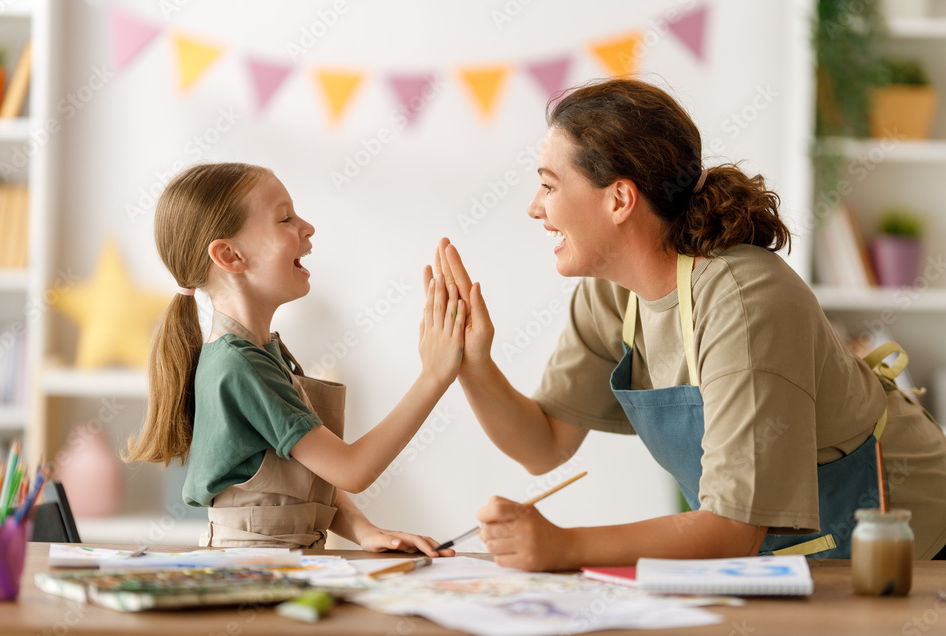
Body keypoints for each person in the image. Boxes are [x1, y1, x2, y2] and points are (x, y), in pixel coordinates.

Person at [434, 78, 946, 571]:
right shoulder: (612, 294)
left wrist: (562, 545)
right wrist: (471, 364)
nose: (534, 208)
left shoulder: (744, 300)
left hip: (917, 546)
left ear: (619, 199)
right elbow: (544, 445)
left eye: (549, 185)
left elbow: (732, 528)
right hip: (778, 559)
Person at [126, 162, 463, 555]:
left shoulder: (260, 354)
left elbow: (308, 474)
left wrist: (365, 530)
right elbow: (350, 469)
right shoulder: (240, 366)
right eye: (285, 218)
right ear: (230, 255)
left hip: (283, 562)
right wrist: (434, 376)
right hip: (250, 571)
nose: (308, 228)